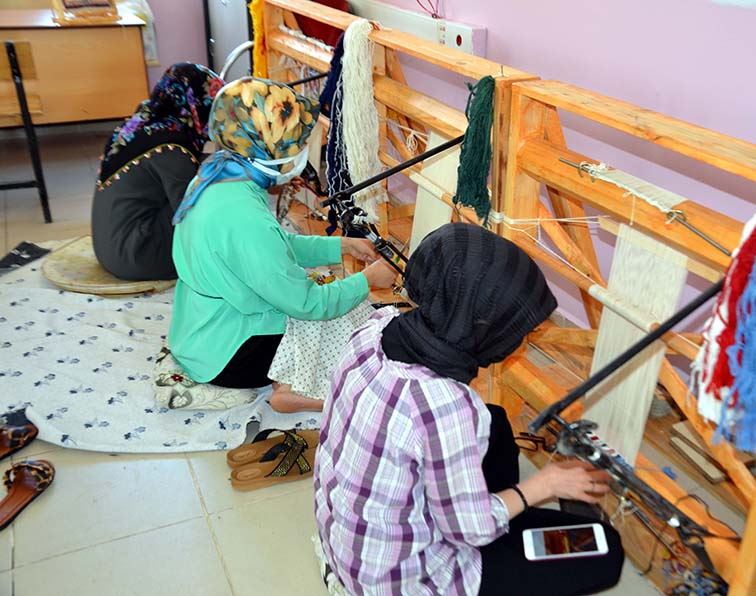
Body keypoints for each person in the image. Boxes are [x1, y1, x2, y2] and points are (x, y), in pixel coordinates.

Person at [314, 223, 625, 595]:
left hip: (351, 545)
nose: (520, 340)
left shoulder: (375, 329)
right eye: (516, 330)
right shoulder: (446, 406)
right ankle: (497, 523)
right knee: (605, 549)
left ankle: (495, 511)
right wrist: (547, 484)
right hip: (406, 580)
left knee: (496, 423)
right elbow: (469, 531)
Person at [167, 77, 396, 413]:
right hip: (229, 356)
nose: (300, 152)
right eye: (294, 143)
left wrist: (341, 245)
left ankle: (290, 381)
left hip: (198, 333)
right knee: (332, 309)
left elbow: (274, 246)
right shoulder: (246, 217)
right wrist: (367, 280)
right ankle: (292, 389)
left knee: (320, 290)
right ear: (266, 146)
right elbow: (307, 303)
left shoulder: (218, 176)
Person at [92, 63, 223, 280]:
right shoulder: (173, 147)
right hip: (137, 257)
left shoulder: (141, 124)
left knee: (206, 177)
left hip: (110, 249)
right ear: (196, 103)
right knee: (206, 198)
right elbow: (191, 216)